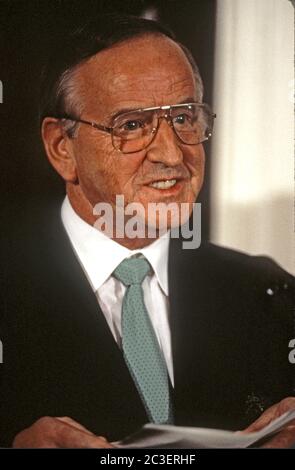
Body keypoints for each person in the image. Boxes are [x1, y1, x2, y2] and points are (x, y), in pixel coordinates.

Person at [0, 14, 294, 449]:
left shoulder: (264, 291)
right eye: (132, 126)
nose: (172, 153)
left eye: (184, 117)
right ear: (63, 148)